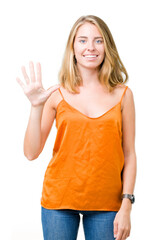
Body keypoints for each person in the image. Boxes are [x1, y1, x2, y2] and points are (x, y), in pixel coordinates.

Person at [16, 15, 137, 240]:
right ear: (72, 47)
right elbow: (31, 153)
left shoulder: (123, 95)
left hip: (107, 203)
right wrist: (36, 107)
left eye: (98, 40)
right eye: (82, 40)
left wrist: (126, 204)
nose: (90, 47)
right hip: (59, 201)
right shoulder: (56, 95)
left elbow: (129, 154)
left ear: (107, 46)